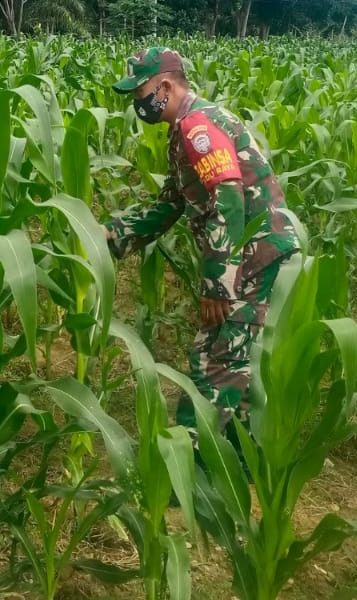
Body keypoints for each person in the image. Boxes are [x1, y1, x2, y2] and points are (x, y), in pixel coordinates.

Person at [105, 47, 299, 437]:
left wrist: (217, 284)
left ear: (164, 85)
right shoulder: (184, 130)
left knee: (215, 360)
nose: (137, 104)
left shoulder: (197, 127)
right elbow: (173, 201)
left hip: (249, 256)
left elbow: (227, 196)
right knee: (235, 358)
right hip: (250, 253)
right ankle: (240, 458)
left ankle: (198, 464)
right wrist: (114, 236)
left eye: (139, 93)